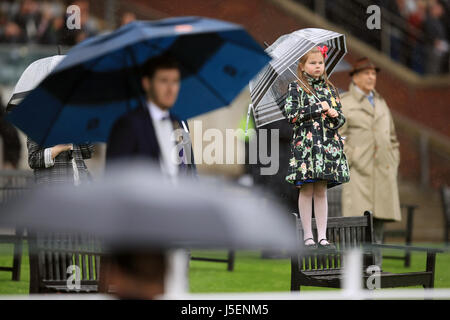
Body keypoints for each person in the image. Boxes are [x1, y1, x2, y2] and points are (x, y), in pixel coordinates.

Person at [283, 46, 350, 249]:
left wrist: (335, 116)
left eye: (320, 62)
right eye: (312, 63)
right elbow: (291, 114)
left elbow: (340, 119)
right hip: (306, 148)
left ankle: (322, 235)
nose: (317, 66)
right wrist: (317, 108)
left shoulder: (330, 89)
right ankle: (307, 236)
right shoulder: (296, 88)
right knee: (307, 189)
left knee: (321, 191)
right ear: (302, 67)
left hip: (327, 148)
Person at [339, 57, 401, 267]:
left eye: (373, 73)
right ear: (355, 77)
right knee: (356, 231)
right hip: (357, 177)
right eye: (366, 73)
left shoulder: (382, 103)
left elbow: (392, 138)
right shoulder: (345, 103)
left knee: (378, 232)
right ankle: (353, 280)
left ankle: (375, 276)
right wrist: (353, 156)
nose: (371, 77)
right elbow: (337, 137)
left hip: (383, 176)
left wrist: (393, 161)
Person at [106, 54, 196, 179]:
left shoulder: (178, 122)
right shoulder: (128, 125)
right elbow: (113, 179)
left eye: (175, 81)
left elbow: (189, 172)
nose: (171, 89)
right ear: (147, 83)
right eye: (164, 81)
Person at [27, 139, 94, 185]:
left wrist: (83, 131)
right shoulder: (40, 125)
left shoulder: (73, 123)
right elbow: (33, 160)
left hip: (80, 183)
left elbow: (87, 153)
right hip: (53, 187)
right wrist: (60, 148)